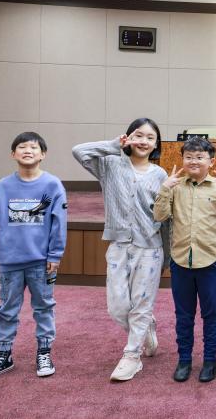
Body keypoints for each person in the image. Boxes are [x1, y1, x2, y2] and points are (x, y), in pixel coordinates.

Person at [0, 131, 67, 381]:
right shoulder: (4, 185)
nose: (27, 150)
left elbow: (59, 223)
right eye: (22, 147)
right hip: (9, 262)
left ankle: (44, 352)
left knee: (43, 307)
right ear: (13, 154)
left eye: (33, 147)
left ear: (43, 154)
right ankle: (4, 356)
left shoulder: (53, 185)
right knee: (7, 310)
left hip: (41, 262)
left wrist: (55, 254)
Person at [71, 118, 167, 382]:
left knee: (141, 305)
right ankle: (146, 326)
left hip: (150, 247)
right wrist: (114, 145)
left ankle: (132, 356)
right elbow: (79, 152)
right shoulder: (110, 164)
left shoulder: (160, 175)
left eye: (150, 138)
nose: (144, 141)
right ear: (128, 137)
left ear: (156, 144)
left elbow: (165, 216)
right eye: (139, 135)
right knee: (117, 307)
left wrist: (167, 258)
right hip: (119, 245)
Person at [154, 137, 216, 384]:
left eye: (199, 157)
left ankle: (210, 361)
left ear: (211, 161)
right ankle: (184, 360)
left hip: (210, 261)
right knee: (183, 315)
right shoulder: (175, 187)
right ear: (183, 160)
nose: (193, 161)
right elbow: (159, 216)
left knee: (211, 313)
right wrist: (164, 188)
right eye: (189, 157)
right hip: (181, 260)